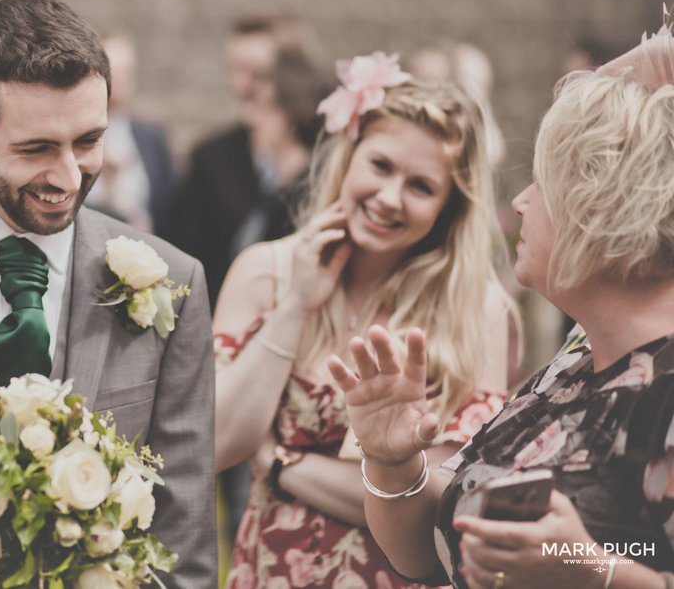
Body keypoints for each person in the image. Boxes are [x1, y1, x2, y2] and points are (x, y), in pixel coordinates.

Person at [329, 20, 674, 588]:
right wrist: (393, 463)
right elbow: (425, 553)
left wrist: (596, 570)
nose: (518, 202)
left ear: (606, 210)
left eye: (542, 183)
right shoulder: (578, 360)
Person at [0, 0, 217, 588]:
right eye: (36, 149)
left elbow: (183, 538)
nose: (68, 176)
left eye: (88, 141)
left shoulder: (174, 280)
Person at [214, 50, 517, 587]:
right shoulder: (268, 272)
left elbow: (431, 506)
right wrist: (293, 310)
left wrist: (278, 461)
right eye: (380, 166)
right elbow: (215, 443)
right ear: (349, 156)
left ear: (449, 207)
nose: (389, 198)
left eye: (421, 186)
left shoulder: (477, 310)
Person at [169, 12, 311, 308]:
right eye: (235, 70)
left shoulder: (320, 156)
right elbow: (183, 253)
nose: (243, 84)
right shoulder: (212, 156)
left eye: (258, 72)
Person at [84, 29, 177, 235]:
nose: (121, 79)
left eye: (126, 70)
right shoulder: (74, 136)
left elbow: (169, 206)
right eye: (113, 70)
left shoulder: (151, 137)